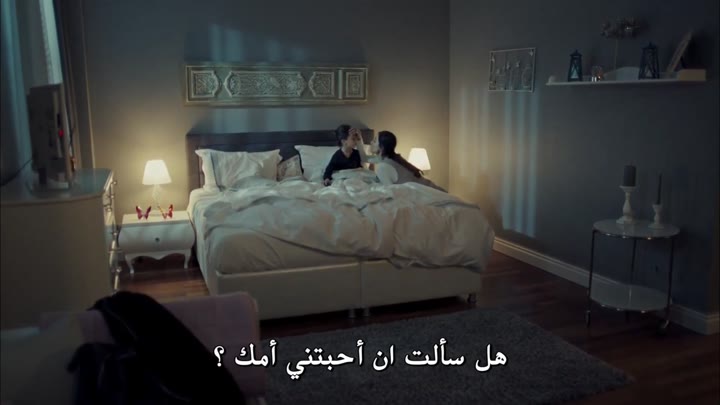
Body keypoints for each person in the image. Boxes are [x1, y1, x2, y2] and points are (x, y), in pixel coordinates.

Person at [373, 130, 446, 192]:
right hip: (436, 192)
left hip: (434, 195)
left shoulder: (383, 167)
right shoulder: (394, 160)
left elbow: (390, 193)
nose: (371, 142)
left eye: (374, 141)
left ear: (381, 147)